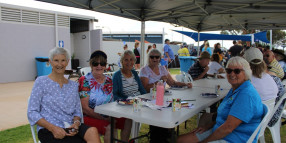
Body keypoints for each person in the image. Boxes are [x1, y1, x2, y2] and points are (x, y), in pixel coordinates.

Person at [177, 56, 264, 143]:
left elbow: (228, 128)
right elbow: (224, 118)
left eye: (237, 71)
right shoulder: (235, 89)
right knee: (180, 140)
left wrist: (204, 141)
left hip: (234, 138)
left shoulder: (246, 95)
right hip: (220, 131)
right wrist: (207, 126)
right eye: (229, 71)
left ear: (246, 73)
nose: (232, 74)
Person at [27, 48, 101, 143]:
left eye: (63, 60)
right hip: (49, 129)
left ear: (67, 62)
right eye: (56, 60)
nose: (60, 64)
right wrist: (52, 128)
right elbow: (32, 112)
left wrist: (76, 124)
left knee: (92, 131)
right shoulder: (41, 82)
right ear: (50, 62)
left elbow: (77, 112)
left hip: (70, 127)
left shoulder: (73, 86)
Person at [140, 49, 192, 143]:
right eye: (152, 57)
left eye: (157, 57)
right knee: (158, 122)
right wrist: (159, 81)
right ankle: (157, 138)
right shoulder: (144, 70)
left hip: (162, 99)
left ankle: (165, 136)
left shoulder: (162, 68)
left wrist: (185, 84)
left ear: (160, 58)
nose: (154, 59)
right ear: (148, 58)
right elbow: (145, 88)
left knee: (167, 117)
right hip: (149, 100)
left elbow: (172, 83)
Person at [78, 50, 129, 143]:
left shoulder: (109, 80)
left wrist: (113, 115)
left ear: (105, 65)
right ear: (91, 65)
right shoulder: (85, 80)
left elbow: (113, 101)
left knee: (127, 120)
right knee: (110, 127)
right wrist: (104, 119)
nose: (99, 66)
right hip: (88, 116)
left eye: (102, 63)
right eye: (95, 63)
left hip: (108, 114)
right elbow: (85, 108)